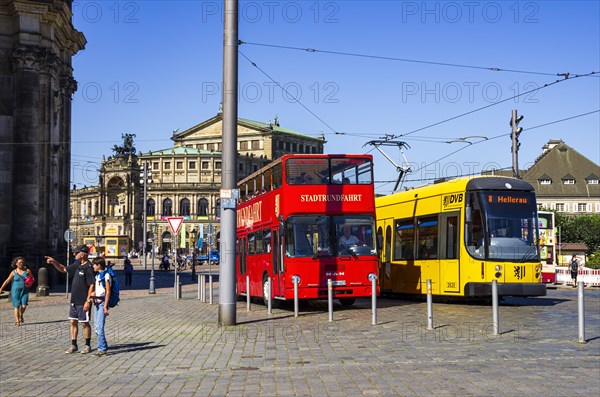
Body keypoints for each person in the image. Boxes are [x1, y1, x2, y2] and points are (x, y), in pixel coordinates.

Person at [45, 244, 95, 354]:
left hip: (83, 300)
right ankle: (74, 344)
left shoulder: (89, 267)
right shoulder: (77, 264)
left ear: (82, 254)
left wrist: (88, 301)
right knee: (73, 322)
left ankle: (87, 345)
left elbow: (92, 285)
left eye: (76, 253)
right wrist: (54, 262)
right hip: (74, 300)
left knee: (84, 323)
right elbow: (63, 269)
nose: (74, 254)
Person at [0, 256, 33, 326]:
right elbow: (7, 281)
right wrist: (1, 288)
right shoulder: (13, 272)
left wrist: (30, 283)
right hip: (15, 291)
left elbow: (33, 279)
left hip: (25, 290)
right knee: (17, 306)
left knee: (24, 306)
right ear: (16, 264)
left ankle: (21, 315)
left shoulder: (27, 271)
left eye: (22, 262)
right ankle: (17, 321)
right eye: (20, 263)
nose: (21, 264)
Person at [91, 258, 111, 356]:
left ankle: (102, 349)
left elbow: (108, 291)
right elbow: (99, 290)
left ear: (99, 265)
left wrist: (106, 306)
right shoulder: (98, 276)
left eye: (94, 265)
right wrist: (92, 294)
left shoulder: (106, 276)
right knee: (96, 326)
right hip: (96, 302)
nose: (93, 266)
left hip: (102, 303)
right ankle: (104, 346)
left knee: (99, 327)